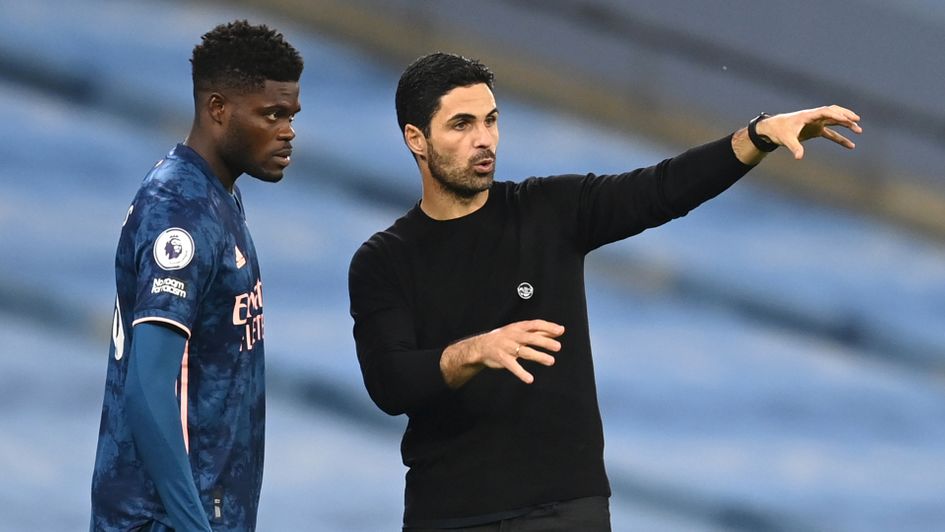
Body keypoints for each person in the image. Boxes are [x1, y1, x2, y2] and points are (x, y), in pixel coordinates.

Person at [347, 52, 861, 531]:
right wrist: (476, 351)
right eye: (462, 124)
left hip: (566, 510)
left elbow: (662, 189)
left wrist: (760, 135)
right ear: (417, 138)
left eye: (492, 120)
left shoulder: (549, 210)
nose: (485, 139)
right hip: (450, 516)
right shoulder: (385, 259)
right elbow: (390, 383)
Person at [90, 20, 303, 532]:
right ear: (217, 109)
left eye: (292, 115)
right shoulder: (179, 213)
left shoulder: (217, 193)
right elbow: (148, 387)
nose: (288, 131)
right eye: (272, 114)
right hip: (160, 521)